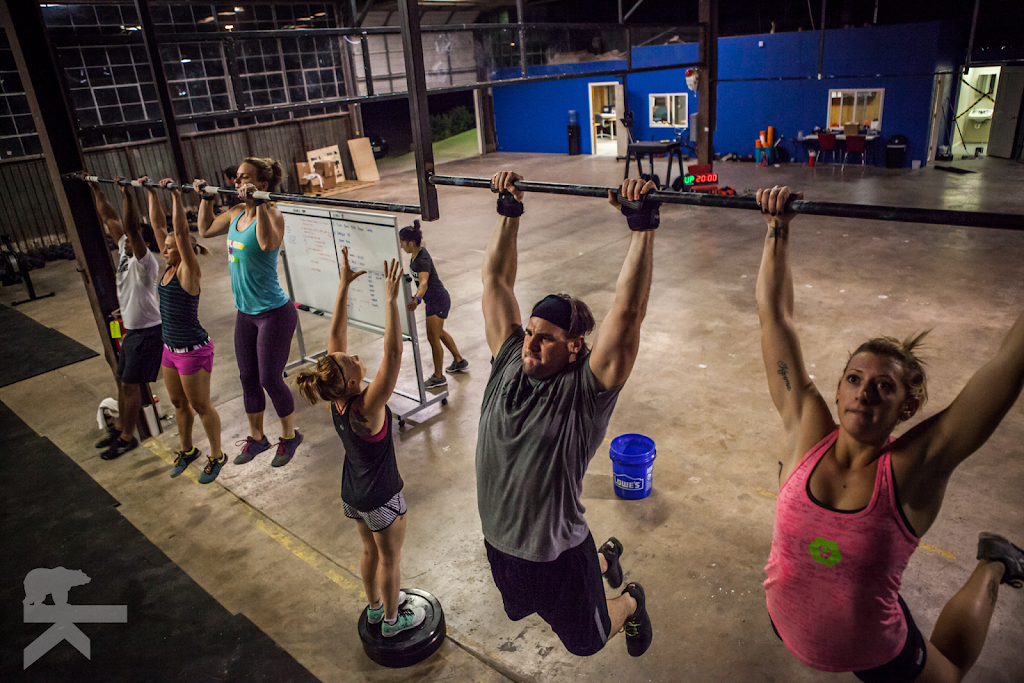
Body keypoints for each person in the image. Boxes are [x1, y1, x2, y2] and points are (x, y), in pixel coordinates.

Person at [755, 185, 1024, 683]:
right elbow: (776, 318)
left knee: (947, 675)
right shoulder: (805, 429)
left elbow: (1009, 363)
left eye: (884, 386)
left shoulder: (915, 467)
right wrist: (777, 227)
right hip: (787, 621)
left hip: (875, 649)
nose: (865, 394)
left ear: (909, 405)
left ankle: (996, 564)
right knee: (854, 568)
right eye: (854, 380)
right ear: (837, 390)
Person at [476, 170, 656, 658]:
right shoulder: (509, 359)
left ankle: (631, 603)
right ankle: (606, 559)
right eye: (530, 331)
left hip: (557, 554)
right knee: (525, 607)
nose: (530, 343)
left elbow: (629, 312)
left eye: (546, 338)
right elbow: (495, 279)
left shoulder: (584, 393)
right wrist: (508, 211)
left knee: (587, 641)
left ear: (575, 346)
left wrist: (642, 228)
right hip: (500, 546)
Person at [295, 251, 425, 637]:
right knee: (390, 559)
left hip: (352, 494)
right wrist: (390, 300)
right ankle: (390, 621)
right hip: (381, 497)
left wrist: (343, 286)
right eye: (351, 361)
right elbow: (394, 353)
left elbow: (336, 338)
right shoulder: (367, 406)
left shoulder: (335, 395)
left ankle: (373, 609)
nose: (352, 355)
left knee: (369, 552)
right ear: (351, 382)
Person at [194, 157, 303, 468]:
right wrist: (206, 199)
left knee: (270, 378)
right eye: (237, 178)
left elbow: (268, 243)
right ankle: (257, 438)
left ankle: (289, 436)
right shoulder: (235, 213)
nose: (237, 183)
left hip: (274, 313)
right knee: (248, 378)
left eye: (244, 179)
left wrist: (260, 205)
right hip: (245, 313)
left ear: (263, 185)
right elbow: (204, 229)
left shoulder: (273, 216)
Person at [86, 173, 166, 460]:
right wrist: (97, 191)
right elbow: (110, 219)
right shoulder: (123, 251)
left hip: (148, 332)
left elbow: (130, 226)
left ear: (140, 242)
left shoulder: (146, 263)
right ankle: (120, 428)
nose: (127, 242)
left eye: (132, 240)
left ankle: (127, 437)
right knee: (123, 382)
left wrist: (127, 195)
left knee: (131, 386)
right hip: (132, 331)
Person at [152, 178, 225, 484]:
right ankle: (187, 450)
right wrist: (149, 193)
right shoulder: (169, 266)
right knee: (179, 404)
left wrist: (175, 196)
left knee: (200, 405)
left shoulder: (188, 271)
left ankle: (217, 455)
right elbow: (158, 227)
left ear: (182, 251)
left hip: (193, 350)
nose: (164, 250)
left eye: (169, 248)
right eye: (165, 248)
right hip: (170, 348)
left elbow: (181, 233)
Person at [399, 219, 468, 389]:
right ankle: (459, 360)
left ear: (410, 242)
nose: (401, 247)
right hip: (435, 300)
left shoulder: (421, 260)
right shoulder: (417, 253)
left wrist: (417, 299)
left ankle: (438, 377)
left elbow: (424, 283)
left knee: (433, 338)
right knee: (439, 333)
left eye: (402, 243)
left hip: (437, 300)